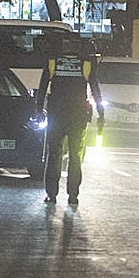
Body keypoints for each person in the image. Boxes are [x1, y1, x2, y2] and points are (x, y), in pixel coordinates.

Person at [36, 35, 104, 207]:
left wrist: (38, 110)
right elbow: (95, 89)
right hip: (78, 116)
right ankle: (73, 196)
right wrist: (101, 112)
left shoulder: (54, 62)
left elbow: (43, 86)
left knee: (54, 155)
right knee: (75, 156)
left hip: (57, 115)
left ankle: (51, 195)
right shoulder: (86, 63)